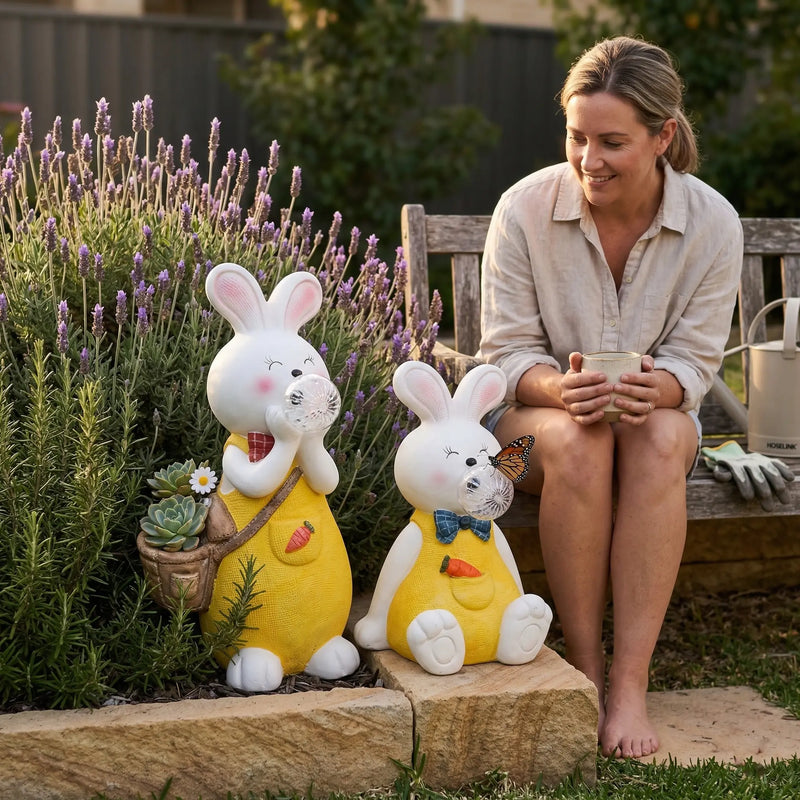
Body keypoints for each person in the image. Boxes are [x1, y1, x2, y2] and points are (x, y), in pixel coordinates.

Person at [478, 35, 743, 758]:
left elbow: (694, 363)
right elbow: (502, 359)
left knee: (659, 437)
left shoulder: (713, 224)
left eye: (612, 142)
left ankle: (629, 682)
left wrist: (657, 386)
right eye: (576, 137)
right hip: (521, 443)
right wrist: (561, 390)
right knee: (578, 438)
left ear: (662, 136)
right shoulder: (524, 209)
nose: (589, 160)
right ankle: (583, 670)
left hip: (650, 425)